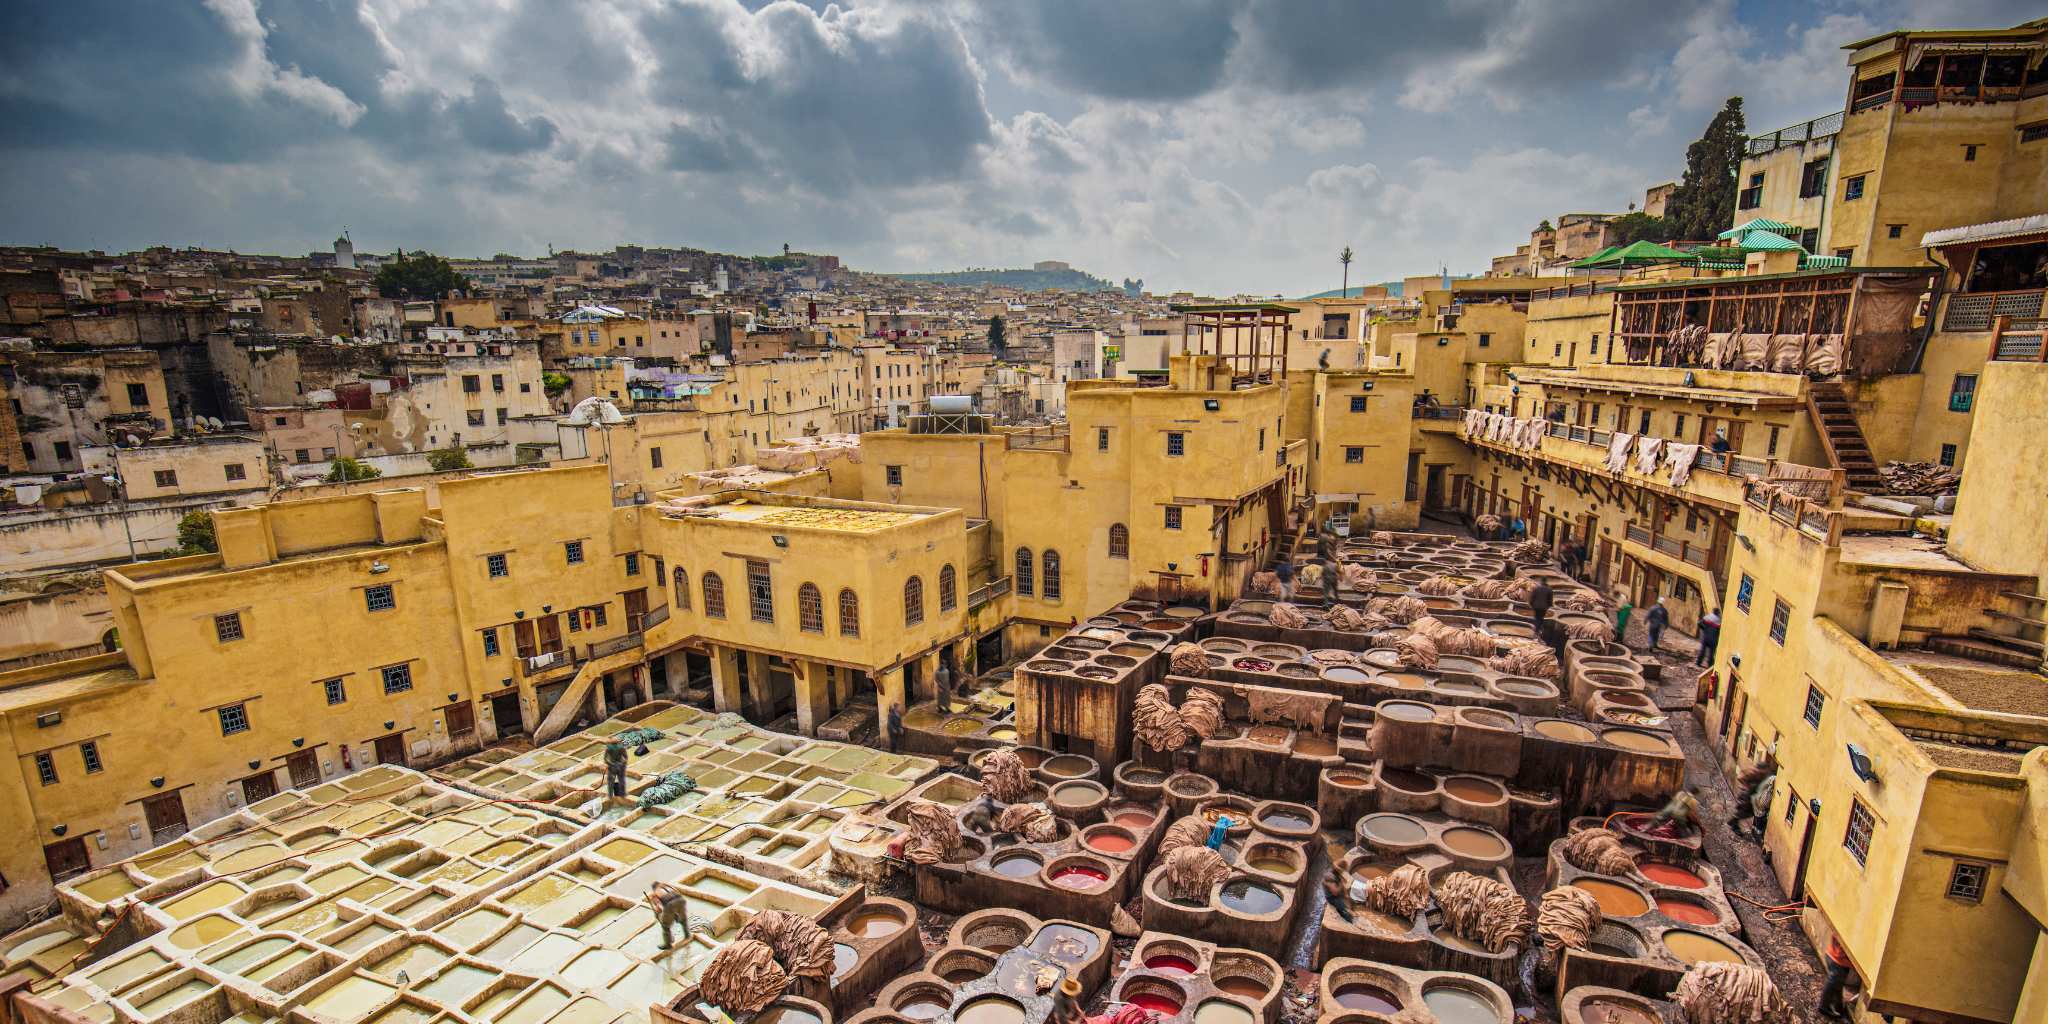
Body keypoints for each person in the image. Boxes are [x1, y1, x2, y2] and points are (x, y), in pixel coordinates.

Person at [1818, 935, 1857, 1020]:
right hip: (1839, 961)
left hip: (1831, 954)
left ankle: (1838, 1008)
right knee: (1833, 984)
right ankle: (1824, 1006)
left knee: (1837, 985)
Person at [649, 882, 695, 949]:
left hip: (670, 904)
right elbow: (677, 891)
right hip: (681, 899)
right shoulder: (667, 887)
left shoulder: (654, 893)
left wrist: (657, 914)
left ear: (653, 888)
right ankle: (687, 935)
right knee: (683, 919)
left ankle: (668, 944)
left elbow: (658, 908)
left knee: (665, 926)